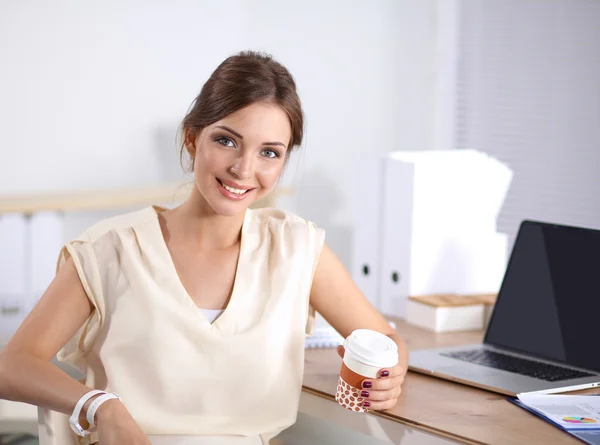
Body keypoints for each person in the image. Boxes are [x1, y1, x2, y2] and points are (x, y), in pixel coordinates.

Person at [0, 50, 407, 445]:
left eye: (269, 152)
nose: (244, 169)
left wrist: (389, 375)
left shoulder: (297, 248)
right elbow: (11, 365)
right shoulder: (110, 249)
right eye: (227, 141)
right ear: (193, 139)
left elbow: (385, 339)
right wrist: (101, 406)